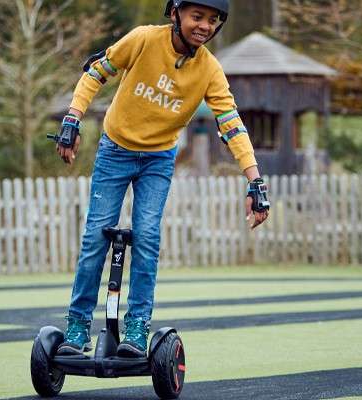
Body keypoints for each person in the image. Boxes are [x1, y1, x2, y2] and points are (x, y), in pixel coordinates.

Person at [53, 0, 269, 358]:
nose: (204, 26)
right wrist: (72, 119)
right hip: (115, 150)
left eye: (212, 20)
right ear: (175, 14)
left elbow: (231, 124)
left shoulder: (210, 69)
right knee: (95, 237)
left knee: (147, 237)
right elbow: (95, 72)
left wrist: (255, 181)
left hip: (158, 159)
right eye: (197, 16)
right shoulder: (142, 39)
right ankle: (77, 325)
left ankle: (137, 326)